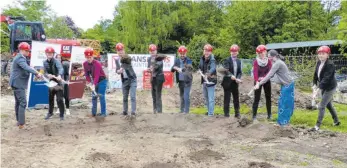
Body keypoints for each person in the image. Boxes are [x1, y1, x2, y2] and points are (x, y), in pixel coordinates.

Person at [254, 50, 294, 126]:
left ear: (273, 56)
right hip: (285, 85)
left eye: (269, 57)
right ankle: (281, 121)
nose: (268, 59)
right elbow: (272, 76)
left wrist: (259, 84)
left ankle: (283, 123)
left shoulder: (278, 63)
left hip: (288, 85)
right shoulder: (277, 62)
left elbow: (269, 75)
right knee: (282, 103)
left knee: (284, 104)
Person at [9, 42, 42, 128]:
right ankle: (21, 123)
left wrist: (30, 67)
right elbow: (26, 67)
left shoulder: (20, 57)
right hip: (18, 83)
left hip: (16, 83)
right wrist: (36, 73)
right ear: (22, 50)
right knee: (23, 102)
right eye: (27, 50)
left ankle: (19, 121)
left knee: (18, 102)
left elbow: (25, 66)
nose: (28, 52)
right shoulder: (20, 58)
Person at [310, 46, 341, 131]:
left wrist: (318, 90)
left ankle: (317, 126)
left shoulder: (330, 65)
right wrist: (314, 85)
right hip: (323, 86)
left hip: (330, 87)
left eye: (323, 54)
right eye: (319, 54)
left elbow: (326, 79)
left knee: (321, 106)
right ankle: (336, 121)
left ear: (328, 55)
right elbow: (316, 75)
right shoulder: (318, 63)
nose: (321, 56)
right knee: (328, 105)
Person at [83, 48, 108, 117]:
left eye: (90, 57)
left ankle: (103, 113)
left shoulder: (97, 63)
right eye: (87, 57)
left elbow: (97, 75)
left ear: (93, 56)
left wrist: (93, 84)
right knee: (94, 96)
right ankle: (93, 113)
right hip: (94, 80)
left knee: (101, 96)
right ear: (85, 57)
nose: (89, 59)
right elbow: (87, 74)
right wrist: (89, 82)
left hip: (102, 80)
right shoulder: (85, 64)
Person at [115, 43, 137, 116]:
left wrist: (123, 67)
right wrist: (118, 71)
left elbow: (129, 66)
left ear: (124, 50)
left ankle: (133, 112)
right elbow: (117, 70)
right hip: (124, 80)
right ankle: (125, 111)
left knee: (132, 96)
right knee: (124, 97)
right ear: (117, 51)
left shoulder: (128, 57)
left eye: (121, 50)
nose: (120, 52)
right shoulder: (117, 60)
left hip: (132, 79)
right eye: (118, 50)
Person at [43, 47, 65, 120]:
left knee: (59, 100)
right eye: (48, 53)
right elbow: (45, 72)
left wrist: (59, 75)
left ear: (53, 54)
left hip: (58, 83)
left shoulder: (56, 61)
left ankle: (61, 114)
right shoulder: (44, 62)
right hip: (51, 83)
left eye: (51, 53)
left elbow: (60, 69)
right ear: (46, 54)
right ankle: (50, 113)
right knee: (50, 99)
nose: (49, 54)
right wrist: (47, 75)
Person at [221, 44, 242, 118]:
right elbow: (226, 70)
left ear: (237, 52)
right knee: (227, 98)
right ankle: (226, 114)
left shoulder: (239, 61)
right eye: (232, 51)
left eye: (235, 51)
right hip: (227, 83)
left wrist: (238, 78)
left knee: (236, 98)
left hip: (235, 83)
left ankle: (237, 113)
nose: (234, 53)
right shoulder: (227, 60)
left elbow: (240, 72)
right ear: (230, 52)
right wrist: (231, 75)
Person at [252, 45, 272, 121]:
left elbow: (270, 72)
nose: (262, 54)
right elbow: (255, 72)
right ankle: (254, 116)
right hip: (258, 82)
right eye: (260, 53)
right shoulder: (256, 62)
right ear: (258, 53)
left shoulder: (269, 61)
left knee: (268, 98)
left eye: (263, 52)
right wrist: (257, 82)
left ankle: (269, 115)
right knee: (256, 98)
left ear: (265, 52)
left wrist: (265, 78)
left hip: (267, 81)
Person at [171, 45, 193, 114]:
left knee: (186, 95)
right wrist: (176, 68)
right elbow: (172, 69)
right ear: (178, 53)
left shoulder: (189, 60)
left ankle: (186, 111)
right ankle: (181, 110)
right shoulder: (177, 60)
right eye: (181, 54)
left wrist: (181, 69)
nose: (182, 55)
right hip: (180, 81)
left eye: (184, 54)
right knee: (182, 96)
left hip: (187, 81)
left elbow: (189, 68)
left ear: (186, 53)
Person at [198, 44, 217, 117]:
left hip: (211, 81)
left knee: (211, 98)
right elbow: (200, 67)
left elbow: (213, 68)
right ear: (203, 51)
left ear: (211, 52)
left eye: (208, 51)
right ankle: (209, 111)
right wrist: (199, 70)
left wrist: (208, 74)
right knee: (206, 97)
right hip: (204, 81)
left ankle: (211, 114)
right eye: (205, 50)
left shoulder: (212, 60)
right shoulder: (202, 59)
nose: (206, 52)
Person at [147, 44, 165, 114]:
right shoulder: (149, 59)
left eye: (153, 51)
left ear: (156, 51)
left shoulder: (159, 57)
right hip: (153, 78)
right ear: (149, 51)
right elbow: (149, 67)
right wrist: (148, 69)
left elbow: (157, 66)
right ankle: (154, 111)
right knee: (153, 95)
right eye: (151, 51)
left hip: (159, 78)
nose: (152, 52)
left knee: (158, 95)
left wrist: (151, 69)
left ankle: (159, 112)